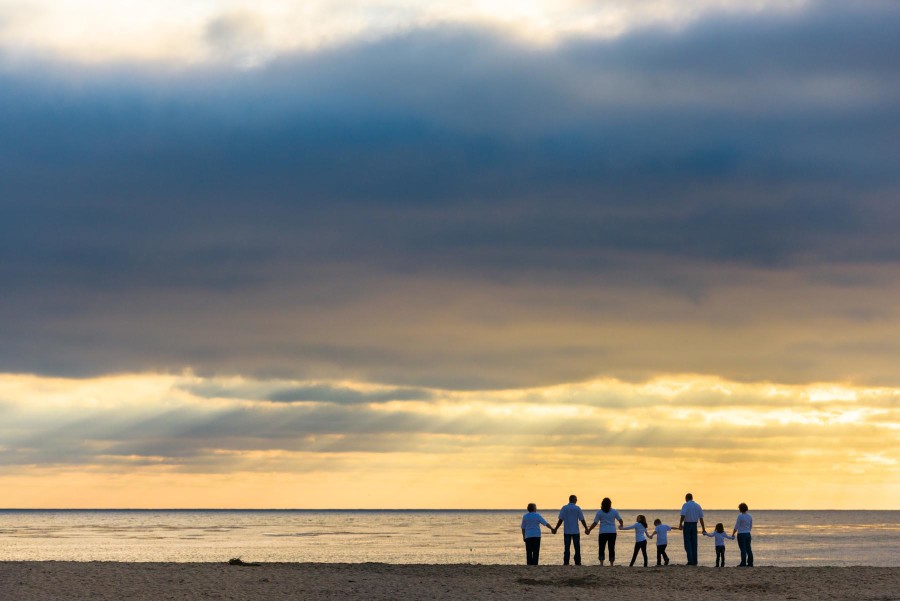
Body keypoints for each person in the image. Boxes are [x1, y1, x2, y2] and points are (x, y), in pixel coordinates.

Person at [585, 497, 623, 566]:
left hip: (603, 532)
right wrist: (621, 525)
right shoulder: (614, 511)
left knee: (601, 547)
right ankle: (611, 563)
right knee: (611, 547)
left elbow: (595, 523)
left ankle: (601, 563)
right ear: (610, 504)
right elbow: (620, 520)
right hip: (612, 532)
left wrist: (589, 530)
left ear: (602, 504)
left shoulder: (599, 512)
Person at [553, 494, 588, 565]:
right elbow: (582, 519)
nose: (576, 501)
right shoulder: (577, 508)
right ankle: (578, 562)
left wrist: (555, 528)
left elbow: (560, 520)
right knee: (577, 548)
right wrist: (586, 528)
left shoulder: (564, 508)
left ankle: (566, 562)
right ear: (574, 500)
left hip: (567, 531)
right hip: (575, 531)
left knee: (567, 548)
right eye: (576, 499)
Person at [678, 492, 706, 565]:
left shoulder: (686, 505)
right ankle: (695, 560)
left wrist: (680, 524)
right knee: (694, 543)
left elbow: (683, 515)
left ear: (686, 498)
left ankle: (690, 560)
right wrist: (703, 528)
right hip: (694, 525)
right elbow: (701, 518)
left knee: (687, 543)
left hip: (687, 524)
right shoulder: (698, 506)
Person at [732, 502, 753, 567]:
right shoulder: (749, 516)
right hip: (747, 534)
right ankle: (750, 563)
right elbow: (750, 526)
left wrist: (733, 533)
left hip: (741, 534)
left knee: (743, 549)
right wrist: (748, 531)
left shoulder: (740, 516)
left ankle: (743, 563)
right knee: (748, 549)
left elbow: (736, 526)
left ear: (740, 509)